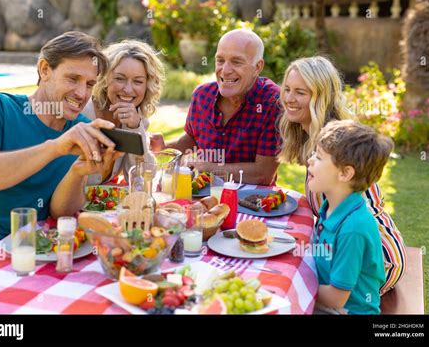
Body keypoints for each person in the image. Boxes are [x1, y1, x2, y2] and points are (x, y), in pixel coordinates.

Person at [0, 31, 121, 253]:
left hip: (37, 251)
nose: (81, 93)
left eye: (89, 84)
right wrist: (55, 148)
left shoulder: (82, 129)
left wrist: (77, 173)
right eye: (73, 78)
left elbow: (62, 214)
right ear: (45, 70)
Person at [277, 56, 406, 295]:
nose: (289, 99)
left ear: (321, 97)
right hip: (346, 250)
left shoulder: (336, 144)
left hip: (375, 258)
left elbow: (355, 223)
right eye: (287, 89)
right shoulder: (318, 137)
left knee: (291, 285)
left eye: (300, 92)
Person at [150, 29, 281, 185]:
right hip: (204, 193)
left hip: (252, 201)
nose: (225, 70)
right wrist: (164, 147)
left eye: (236, 62)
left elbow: (263, 174)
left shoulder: (272, 102)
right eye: (220, 60)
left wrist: (209, 168)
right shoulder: (202, 95)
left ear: (257, 67)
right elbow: (193, 138)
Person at [309, 120, 390, 314]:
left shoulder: (353, 228)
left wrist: (296, 283)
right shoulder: (331, 207)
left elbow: (336, 298)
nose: (309, 160)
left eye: (319, 157)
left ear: (345, 173)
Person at [82, 39, 165, 184]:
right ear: (104, 78)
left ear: (147, 86)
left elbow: (143, 180)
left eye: (138, 81)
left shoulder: (137, 120)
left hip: (100, 205)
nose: (127, 89)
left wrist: (135, 129)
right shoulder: (83, 113)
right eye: (120, 79)